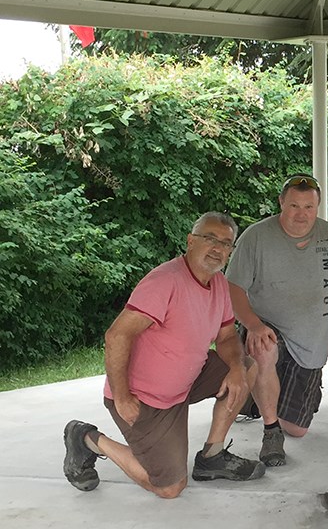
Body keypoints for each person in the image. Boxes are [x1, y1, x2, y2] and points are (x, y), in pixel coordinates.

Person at [62, 212, 266, 499]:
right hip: (144, 398)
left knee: (246, 367)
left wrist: (234, 367)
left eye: (226, 243)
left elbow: (227, 336)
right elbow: (117, 335)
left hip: (186, 382)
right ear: (190, 241)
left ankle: (212, 456)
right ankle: (86, 438)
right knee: (169, 488)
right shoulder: (165, 281)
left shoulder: (218, 283)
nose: (217, 248)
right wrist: (121, 397)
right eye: (210, 239)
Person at [225, 174, 328, 467]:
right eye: (294, 206)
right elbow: (233, 287)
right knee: (264, 350)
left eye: (309, 207)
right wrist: (252, 324)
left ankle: (258, 397)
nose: (301, 214)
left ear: (318, 207)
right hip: (266, 325)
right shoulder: (256, 236)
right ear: (281, 203)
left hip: (311, 340)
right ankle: (270, 432)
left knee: (298, 429)